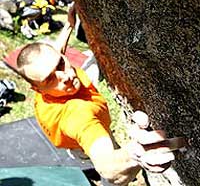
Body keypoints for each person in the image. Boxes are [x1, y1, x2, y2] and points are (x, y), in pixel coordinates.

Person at [15, 21, 186, 186]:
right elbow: (107, 166)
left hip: (76, 129)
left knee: (89, 60)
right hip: (83, 146)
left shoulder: (44, 79)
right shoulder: (77, 114)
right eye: (50, 78)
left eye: (60, 63)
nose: (65, 76)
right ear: (36, 89)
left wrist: (69, 24)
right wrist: (135, 155)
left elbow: (55, 54)